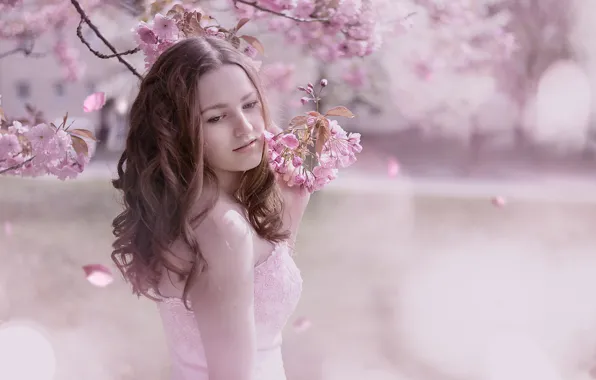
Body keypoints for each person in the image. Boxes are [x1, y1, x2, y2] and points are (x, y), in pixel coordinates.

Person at [110, 36, 310, 380]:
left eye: (249, 105)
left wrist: (291, 210)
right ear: (178, 131)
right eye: (216, 118)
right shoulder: (222, 229)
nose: (245, 128)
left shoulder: (198, 212)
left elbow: (256, 291)